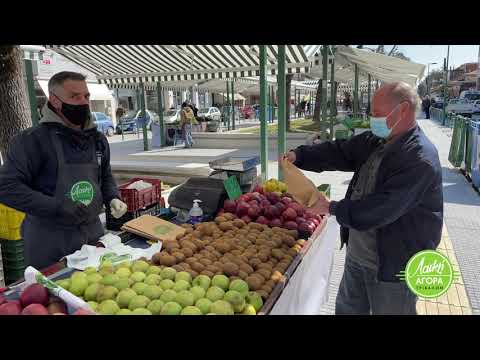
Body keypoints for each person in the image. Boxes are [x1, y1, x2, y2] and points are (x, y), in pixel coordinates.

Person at [283, 82, 443, 315]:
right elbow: (340, 151)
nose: (372, 118)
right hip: (359, 256)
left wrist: (332, 207)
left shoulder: (419, 159)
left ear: (404, 110)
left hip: (394, 268)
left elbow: (382, 209)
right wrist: (301, 155)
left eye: (377, 113)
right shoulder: (378, 140)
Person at [0, 71, 128, 270]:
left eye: (86, 96)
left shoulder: (97, 140)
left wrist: (113, 196)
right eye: (74, 97)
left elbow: (104, 175)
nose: (83, 102)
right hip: (50, 241)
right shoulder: (32, 140)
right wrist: (56, 206)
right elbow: (6, 187)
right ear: (55, 100)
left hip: (93, 234)